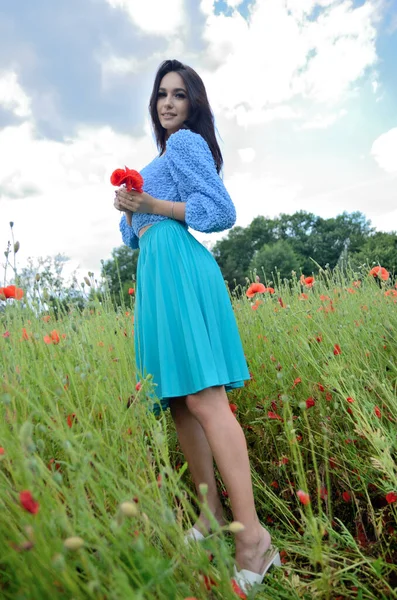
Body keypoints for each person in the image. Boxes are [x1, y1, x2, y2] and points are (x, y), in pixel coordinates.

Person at [114, 59, 280, 592]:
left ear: (193, 104)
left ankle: (253, 538)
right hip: (157, 274)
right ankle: (210, 518)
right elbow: (135, 236)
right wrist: (129, 208)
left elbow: (220, 210)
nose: (167, 103)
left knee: (206, 400)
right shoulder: (162, 156)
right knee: (181, 402)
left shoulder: (185, 144)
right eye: (161, 94)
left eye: (179, 95)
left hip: (182, 272)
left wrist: (150, 202)